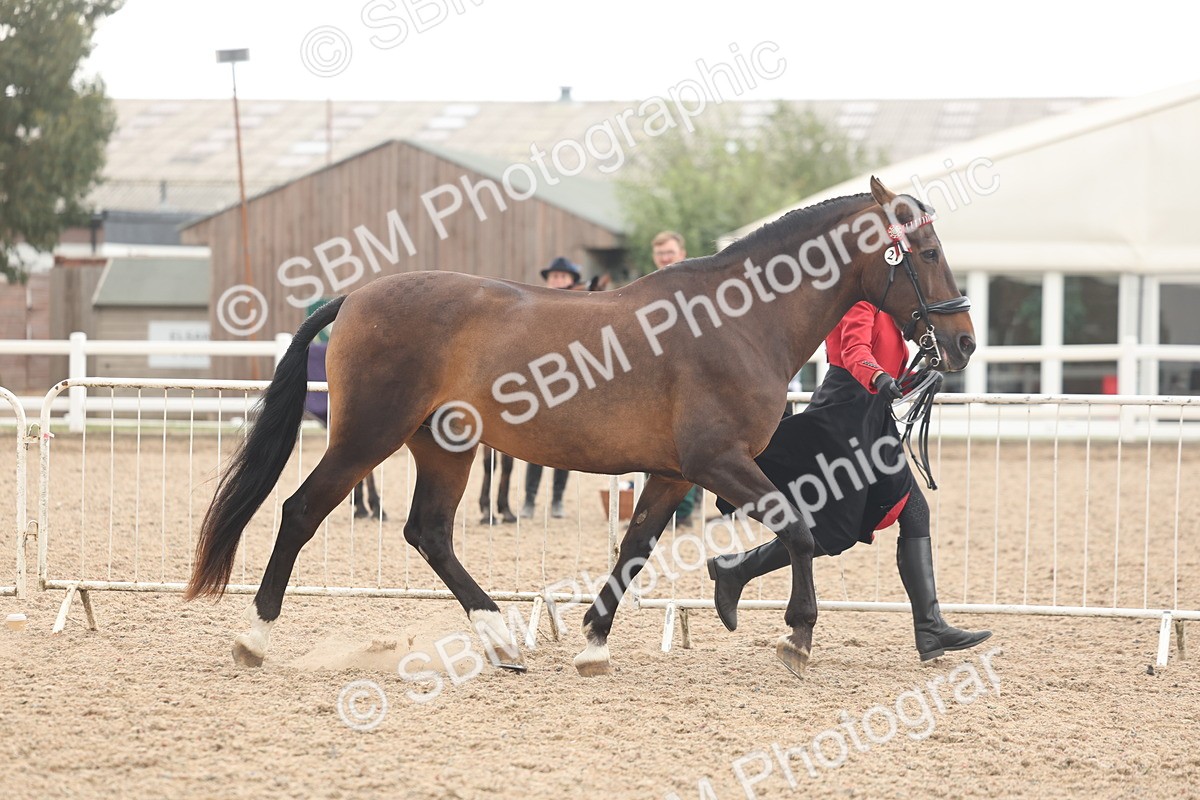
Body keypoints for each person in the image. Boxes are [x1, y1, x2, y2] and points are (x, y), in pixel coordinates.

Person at [706, 301, 991, 662]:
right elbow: (855, 352)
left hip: (873, 421)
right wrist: (879, 377)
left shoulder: (889, 306)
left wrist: (915, 378)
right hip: (845, 420)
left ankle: (930, 627)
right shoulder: (860, 300)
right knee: (836, 532)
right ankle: (738, 568)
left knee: (915, 512)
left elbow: (885, 368)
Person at [520, 256, 578, 519]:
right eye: (554, 276)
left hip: (571, 382)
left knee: (564, 445)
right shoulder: (535, 306)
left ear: (571, 281)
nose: (558, 281)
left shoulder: (580, 307)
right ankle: (530, 499)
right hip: (538, 380)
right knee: (535, 444)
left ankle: (557, 499)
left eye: (562, 277)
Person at [651, 231, 701, 527]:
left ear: (681, 252)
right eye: (660, 254)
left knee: (690, 445)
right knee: (653, 448)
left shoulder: (695, 286)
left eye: (670, 252)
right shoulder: (646, 288)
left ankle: (683, 514)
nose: (665, 258)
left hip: (689, 379)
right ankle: (661, 515)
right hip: (654, 381)